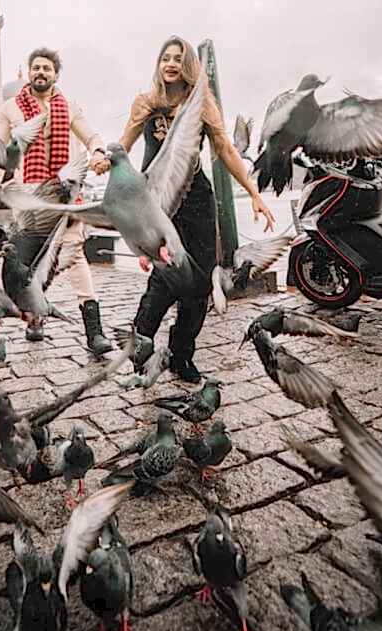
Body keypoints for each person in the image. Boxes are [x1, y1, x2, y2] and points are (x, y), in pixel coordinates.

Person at [116, 36, 275, 382]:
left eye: (178, 59)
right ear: (158, 65)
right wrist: (104, 163)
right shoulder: (145, 102)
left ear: (188, 67)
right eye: (165, 58)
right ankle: (140, 349)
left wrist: (254, 194)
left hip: (199, 203)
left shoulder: (201, 103)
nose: (170, 64)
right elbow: (124, 144)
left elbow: (227, 150)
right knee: (164, 279)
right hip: (158, 204)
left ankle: (181, 355)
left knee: (200, 282)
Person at [0, 47, 113, 354]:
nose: (40, 72)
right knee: (29, 263)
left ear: (55, 74)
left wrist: (98, 152)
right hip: (30, 198)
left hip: (62, 192)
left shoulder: (68, 106)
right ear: (29, 73)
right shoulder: (10, 108)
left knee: (74, 254)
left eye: (46, 68)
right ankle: (34, 318)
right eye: (36, 68)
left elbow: (91, 137)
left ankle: (94, 332)